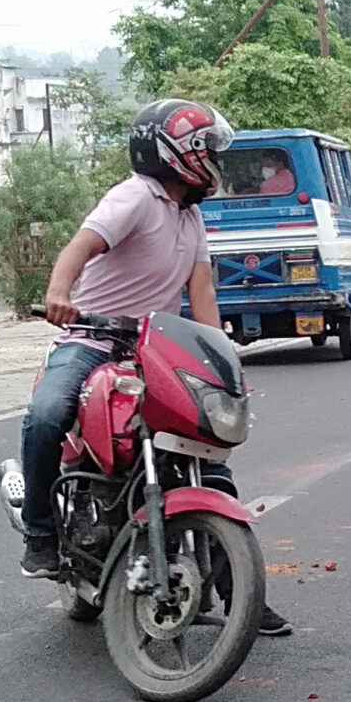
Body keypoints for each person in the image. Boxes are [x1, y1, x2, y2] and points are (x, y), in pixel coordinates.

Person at [21, 101, 287, 634]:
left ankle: (240, 593)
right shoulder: (134, 198)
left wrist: (220, 357)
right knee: (47, 413)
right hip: (93, 339)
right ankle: (40, 533)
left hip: (152, 350)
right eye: (207, 150)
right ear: (178, 155)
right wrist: (57, 293)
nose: (214, 161)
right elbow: (81, 245)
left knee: (205, 454)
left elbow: (201, 290)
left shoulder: (190, 217)